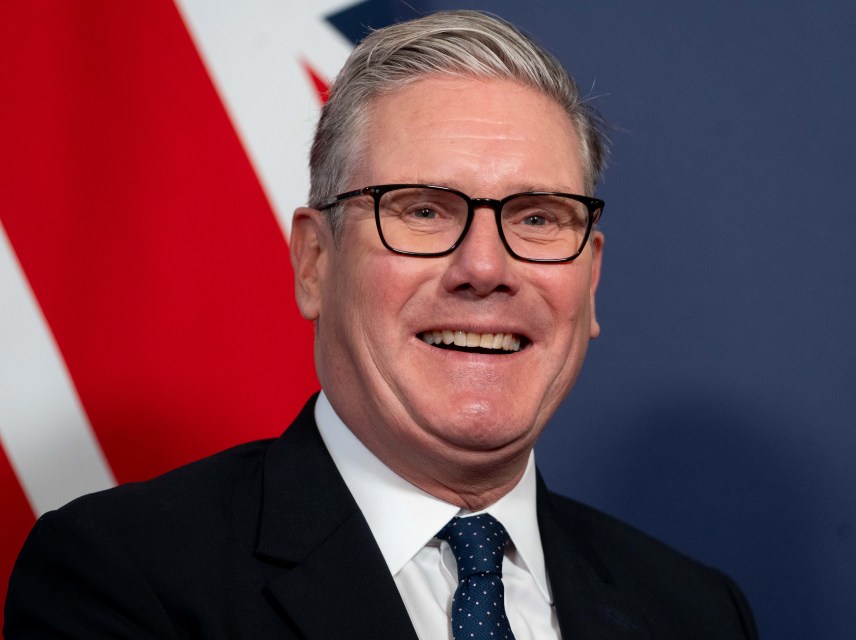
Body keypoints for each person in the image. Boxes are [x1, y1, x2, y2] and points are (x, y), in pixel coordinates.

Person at [5, 10, 757, 639]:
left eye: (536, 217)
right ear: (315, 263)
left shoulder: (694, 613)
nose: (486, 268)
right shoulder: (127, 579)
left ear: (589, 280)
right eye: (424, 211)